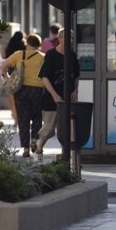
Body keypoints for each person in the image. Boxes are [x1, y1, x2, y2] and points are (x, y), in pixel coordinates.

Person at [3, 33, 44, 157]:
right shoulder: (43, 57)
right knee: (37, 117)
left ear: (27, 43)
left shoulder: (18, 54)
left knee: (23, 119)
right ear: (39, 45)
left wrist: (8, 78)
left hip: (21, 90)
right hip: (38, 90)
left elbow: (3, 67)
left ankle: (25, 148)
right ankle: (35, 141)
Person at [39, 29, 79, 157]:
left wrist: (76, 90)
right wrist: (54, 95)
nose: (71, 41)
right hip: (52, 98)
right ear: (60, 39)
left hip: (68, 96)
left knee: (66, 127)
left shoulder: (72, 55)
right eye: (68, 38)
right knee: (50, 128)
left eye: (72, 38)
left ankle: (64, 153)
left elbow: (76, 75)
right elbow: (44, 77)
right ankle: (39, 146)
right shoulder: (51, 55)